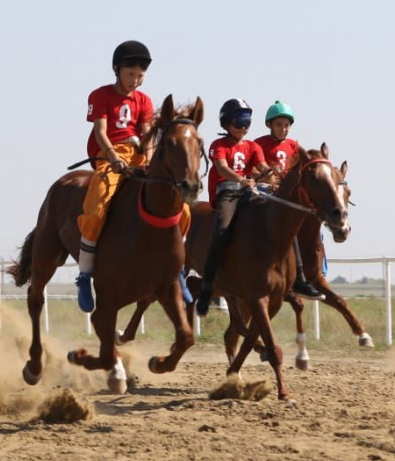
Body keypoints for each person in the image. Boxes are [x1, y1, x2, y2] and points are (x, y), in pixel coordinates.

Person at [74, 40, 192, 312]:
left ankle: (179, 269)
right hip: (110, 157)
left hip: (140, 158)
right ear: (116, 69)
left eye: (140, 76)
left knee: (182, 209)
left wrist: (149, 160)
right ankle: (84, 275)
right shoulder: (100, 95)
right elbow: (101, 132)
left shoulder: (145, 100)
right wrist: (113, 157)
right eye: (130, 75)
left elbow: (148, 134)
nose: (135, 81)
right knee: (97, 207)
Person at [193, 99, 272, 316]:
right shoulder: (218, 146)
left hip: (248, 191)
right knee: (222, 229)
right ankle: (208, 283)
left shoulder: (253, 147)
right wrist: (241, 179)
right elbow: (222, 168)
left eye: (247, 121)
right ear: (227, 123)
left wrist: (275, 175)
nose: (244, 127)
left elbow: (263, 167)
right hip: (227, 192)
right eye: (239, 121)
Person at [255, 100, 325, 300]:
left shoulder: (294, 145)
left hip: (288, 195)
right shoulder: (258, 144)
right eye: (279, 124)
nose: (283, 129)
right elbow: (252, 169)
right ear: (269, 125)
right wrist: (266, 178)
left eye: (286, 125)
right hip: (266, 191)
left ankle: (308, 273)